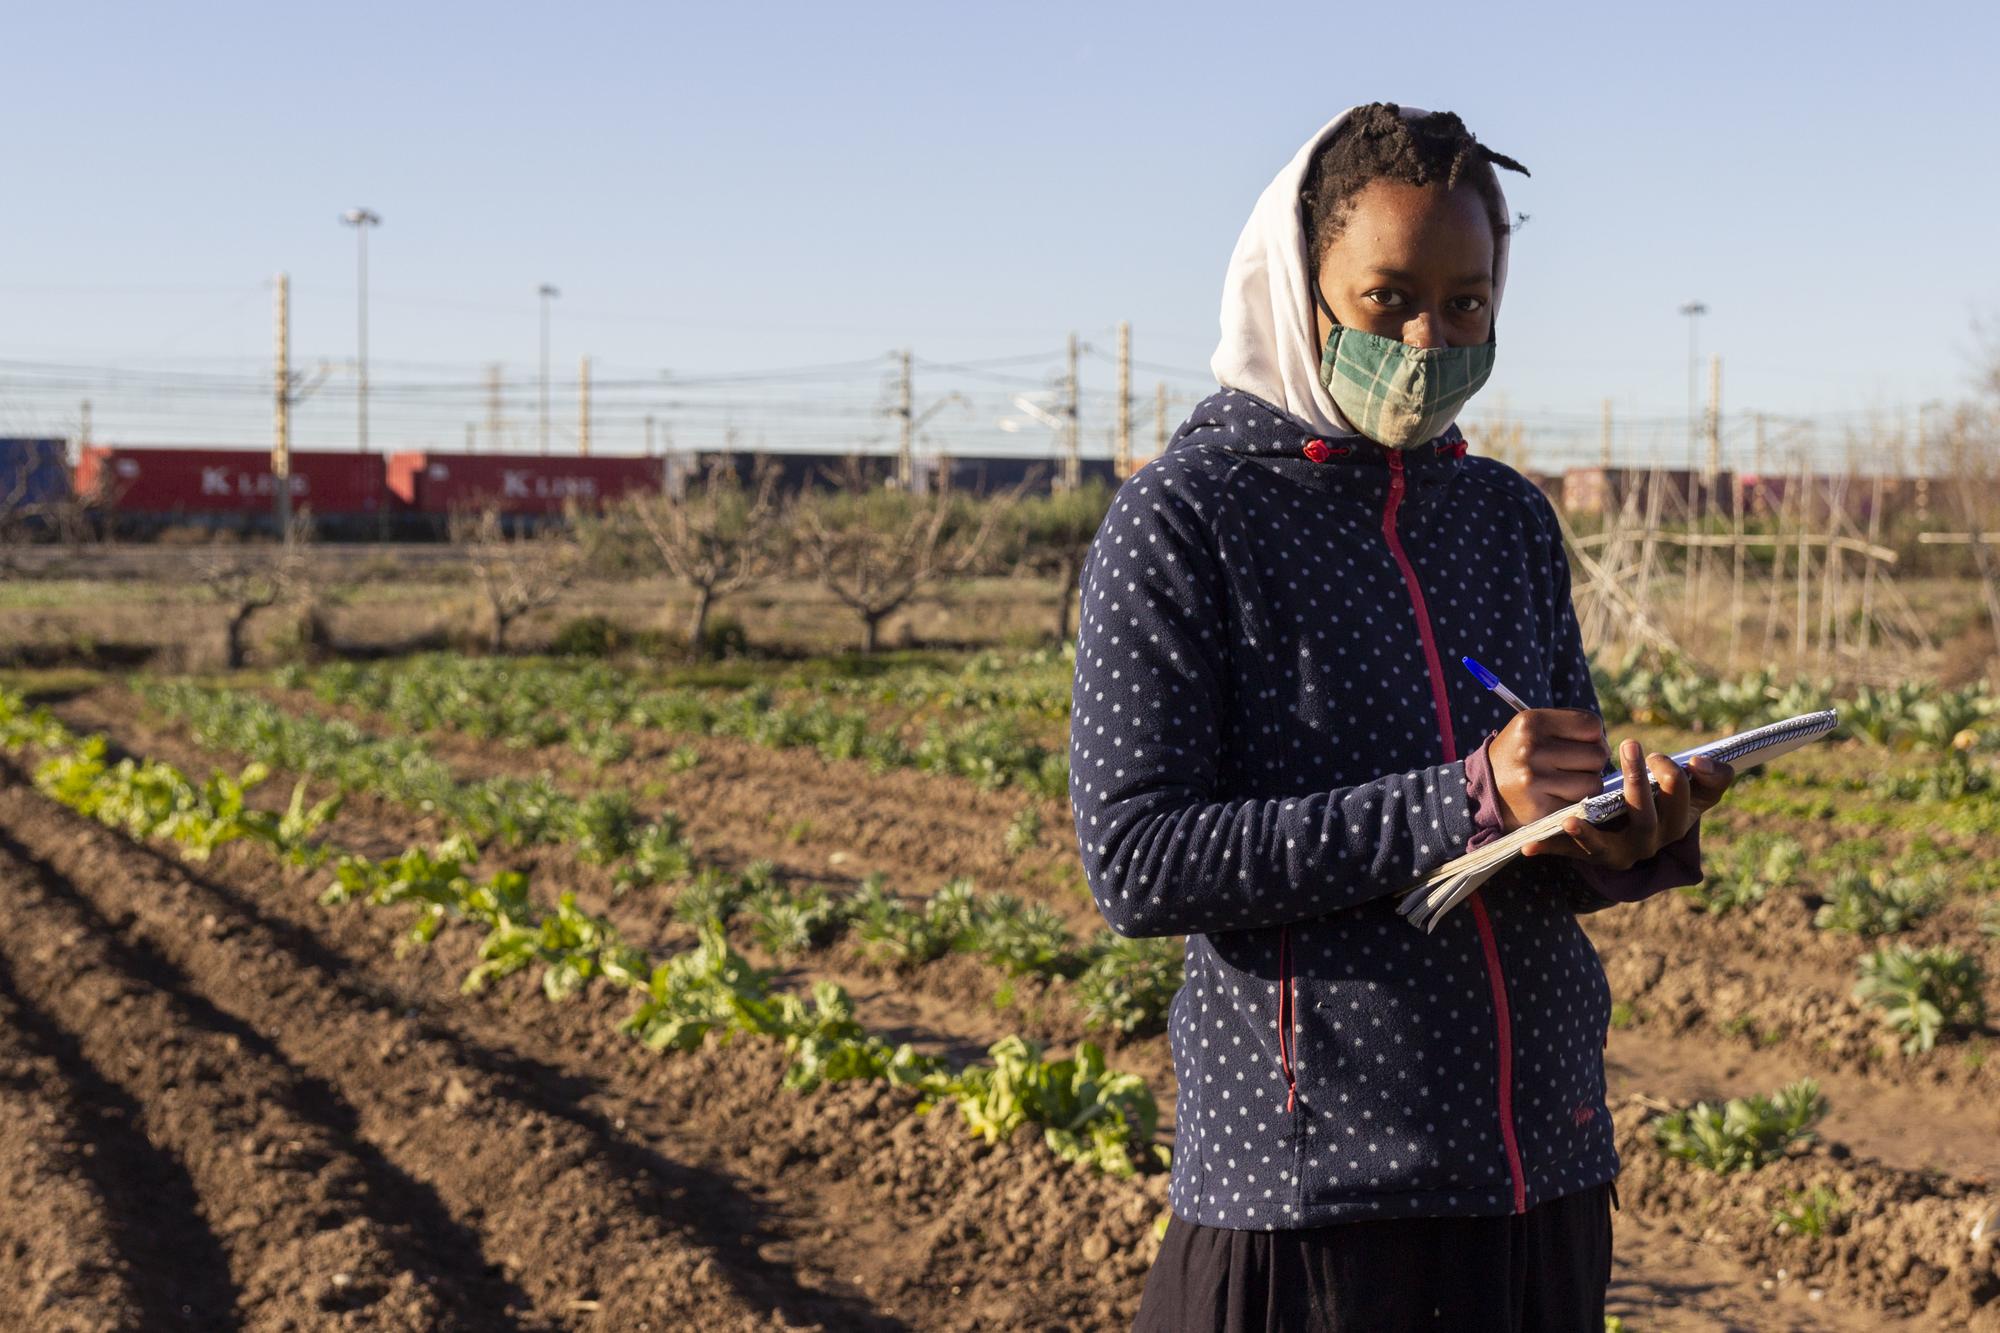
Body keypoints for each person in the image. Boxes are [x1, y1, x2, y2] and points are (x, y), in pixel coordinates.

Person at [1067, 103, 1738, 1332]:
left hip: (1540, 1171)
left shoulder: (1502, 517)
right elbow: (1137, 861)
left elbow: (1535, 826)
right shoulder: (1186, 521)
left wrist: (1614, 833)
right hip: (1314, 1196)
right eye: (1387, 299)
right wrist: (1461, 795)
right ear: (1299, 288)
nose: (1431, 337)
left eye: (1467, 302)